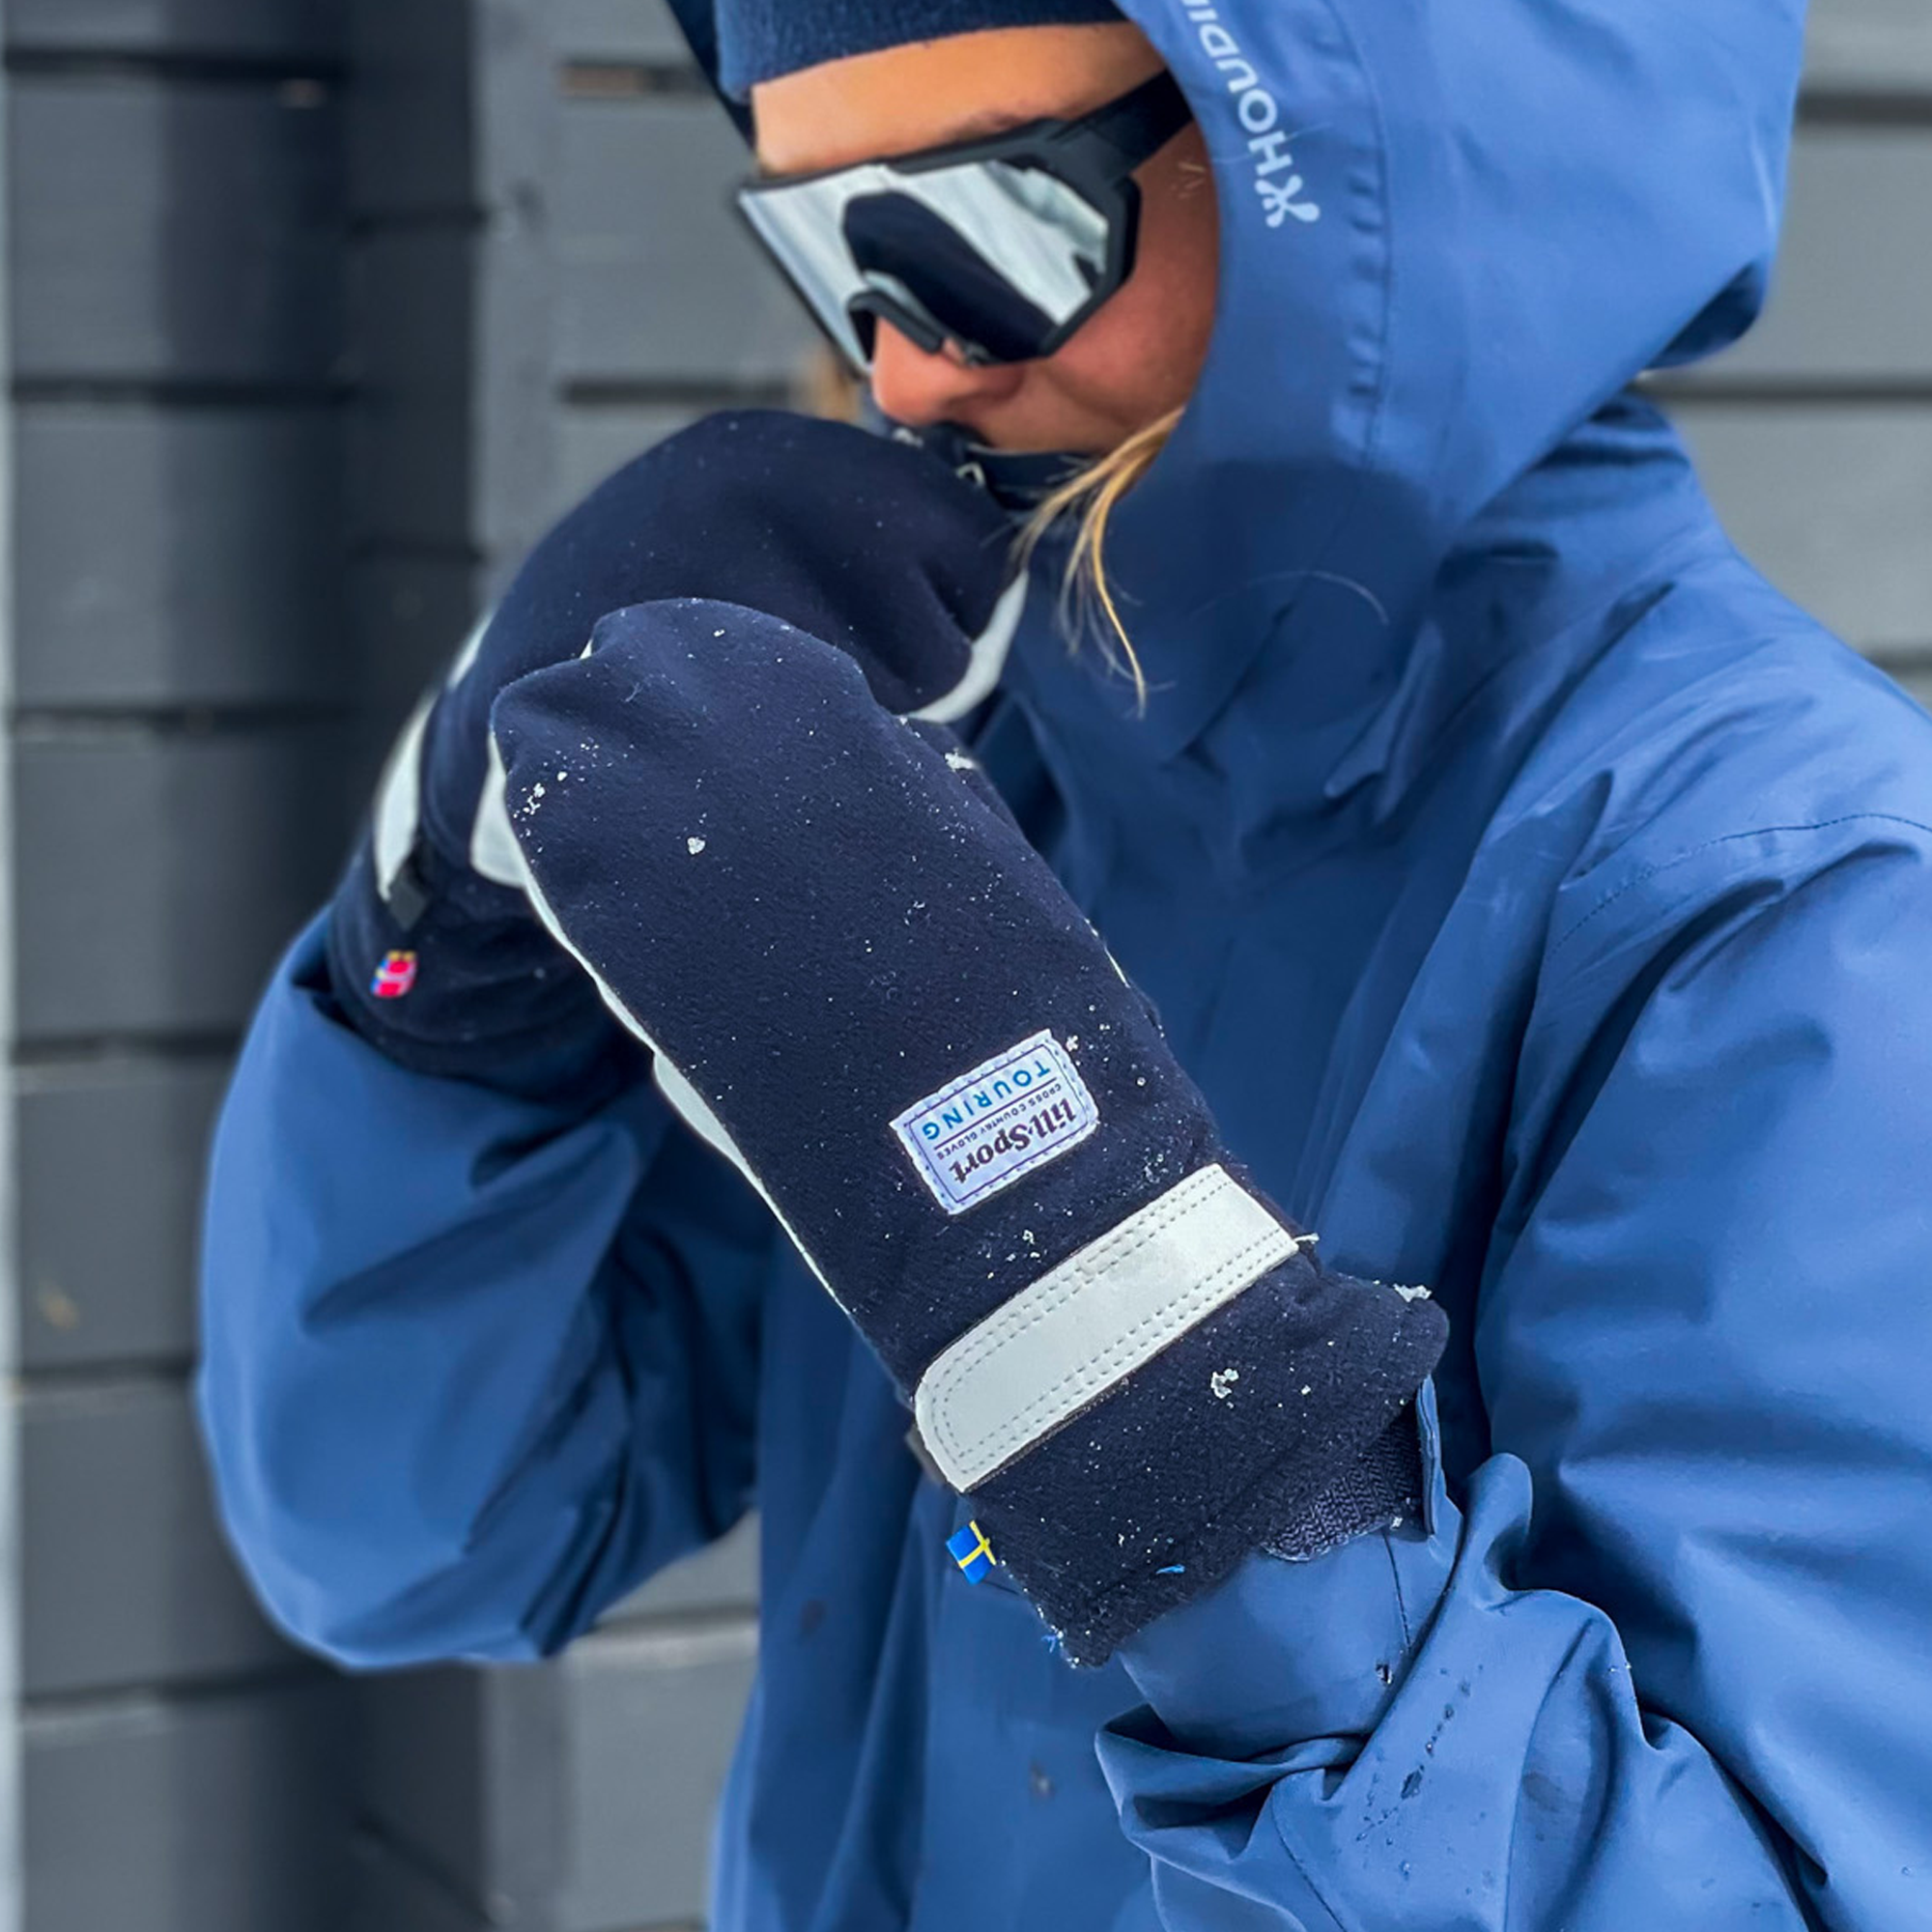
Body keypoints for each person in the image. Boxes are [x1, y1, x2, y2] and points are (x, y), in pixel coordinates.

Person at [194, 0, 1932, 1925]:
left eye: (988, 226)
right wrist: (449, 937)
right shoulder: (954, 799)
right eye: (833, 249)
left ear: (1387, 176)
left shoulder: (1791, 905)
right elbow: (424, 1530)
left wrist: (1172, 1411)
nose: (904, 370)